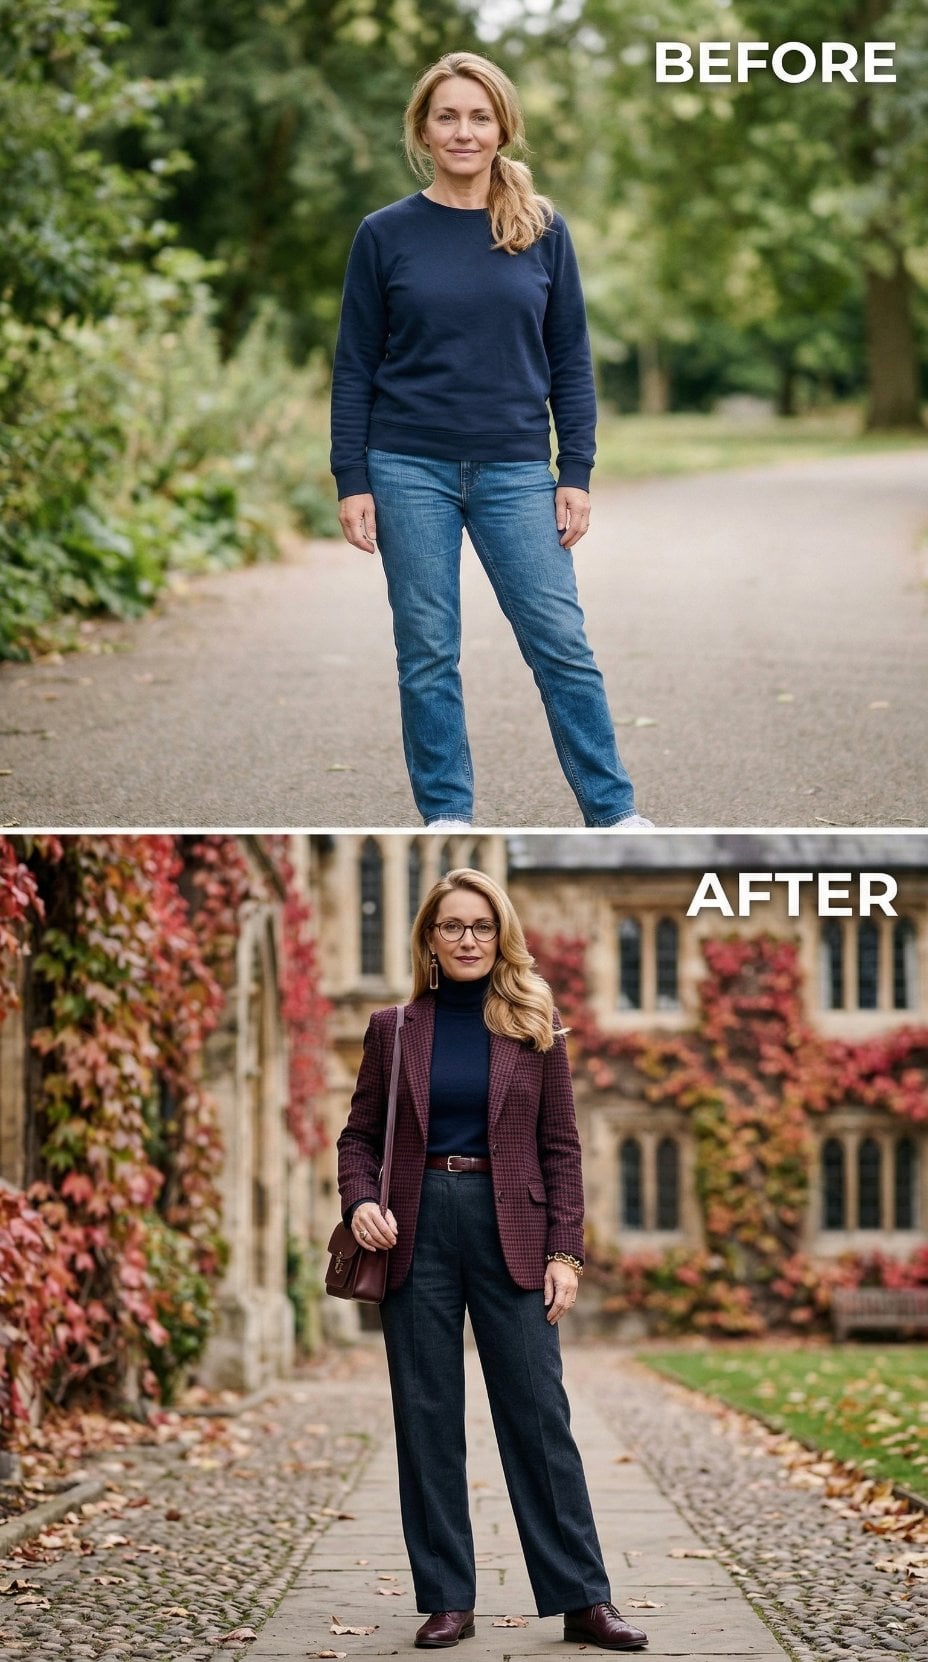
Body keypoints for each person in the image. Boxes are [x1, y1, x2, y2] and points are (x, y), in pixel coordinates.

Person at [330, 51, 653, 832]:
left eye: (479, 116)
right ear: (423, 129)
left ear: (502, 126)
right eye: (448, 116)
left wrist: (573, 470)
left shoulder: (541, 231)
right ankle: (448, 813)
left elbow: (571, 359)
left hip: (515, 470)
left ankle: (612, 812)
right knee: (430, 652)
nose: (464, 131)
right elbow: (354, 364)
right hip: (406, 466)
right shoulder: (385, 235)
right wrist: (352, 478)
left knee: (561, 644)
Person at [336, 868, 649, 1652]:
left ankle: (582, 1598)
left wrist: (566, 1252)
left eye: (481, 925)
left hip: (513, 1227)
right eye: (452, 926)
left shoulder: (536, 1027)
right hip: (413, 1230)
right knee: (428, 1415)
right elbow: (359, 1137)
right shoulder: (394, 1028)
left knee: (540, 1417)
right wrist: (359, 1203)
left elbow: (561, 1149)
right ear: (430, 940)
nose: (468, 938)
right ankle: (447, 1598)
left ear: (500, 934)